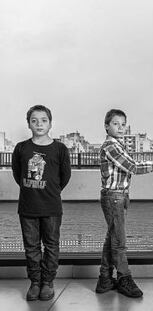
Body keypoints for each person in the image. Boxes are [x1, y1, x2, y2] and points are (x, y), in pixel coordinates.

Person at [96, 109, 153, 298]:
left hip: (118, 196)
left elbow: (130, 163)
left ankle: (104, 279)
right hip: (114, 197)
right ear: (106, 126)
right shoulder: (110, 146)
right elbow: (133, 167)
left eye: (123, 124)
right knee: (119, 242)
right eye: (115, 124)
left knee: (112, 238)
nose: (120, 127)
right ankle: (124, 278)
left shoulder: (118, 146)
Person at [12, 105, 71, 301]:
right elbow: (17, 174)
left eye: (44, 120)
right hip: (28, 207)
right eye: (34, 120)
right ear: (28, 123)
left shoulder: (60, 149)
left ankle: (47, 282)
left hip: (52, 207)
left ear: (50, 123)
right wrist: (33, 187)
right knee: (31, 246)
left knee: (52, 246)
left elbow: (65, 176)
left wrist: (50, 191)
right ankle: (35, 282)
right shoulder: (21, 148)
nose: (39, 124)